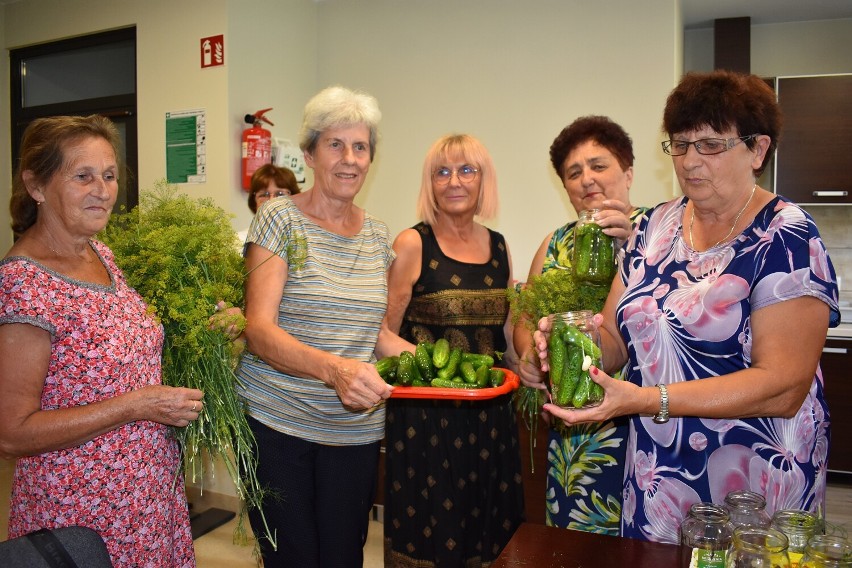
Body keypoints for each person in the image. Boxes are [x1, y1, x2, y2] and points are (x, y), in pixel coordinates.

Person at [533, 70, 840, 544]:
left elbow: (783, 385)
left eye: (711, 145)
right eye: (680, 145)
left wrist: (646, 399)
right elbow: (615, 338)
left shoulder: (788, 235)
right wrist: (574, 342)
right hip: (659, 472)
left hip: (752, 481)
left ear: (757, 150)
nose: (691, 161)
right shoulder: (655, 226)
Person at [0, 115, 202, 567]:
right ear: (36, 186)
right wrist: (135, 405)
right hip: (82, 513)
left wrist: (207, 325)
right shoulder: (24, 282)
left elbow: (125, 353)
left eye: (109, 176)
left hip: (147, 499)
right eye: (83, 176)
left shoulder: (98, 253)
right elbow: (11, 432)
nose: (103, 190)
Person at [237, 85, 414, 567]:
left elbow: (370, 332)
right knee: (292, 558)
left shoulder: (378, 234)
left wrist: (421, 361)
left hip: (354, 432)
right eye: (335, 144)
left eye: (360, 147)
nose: (349, 158)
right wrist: (335, 371)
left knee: (342, 556)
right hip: (277, 422)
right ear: (311, 154)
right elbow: (259, 329)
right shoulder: (280, 220)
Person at [383, 134, 525, 567]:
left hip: (492, 417)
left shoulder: (499, 245)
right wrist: (443, 373)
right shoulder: (412, 243)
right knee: (432, 537)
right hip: (426, 422)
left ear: (484, 180)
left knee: (490, 532)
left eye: (467, 170)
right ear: (430, 184)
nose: (454, 181)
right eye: (441, 172)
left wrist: (527, 367)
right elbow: (381, 334)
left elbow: (505, 330)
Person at [513, 116, 648, 535]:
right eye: (574, 172)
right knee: (574, 546)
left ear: (627, 173)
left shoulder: (659, 231)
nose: (587, 178)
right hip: (572, 431)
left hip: (640, 425)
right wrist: (527, 357)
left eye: (598, 165)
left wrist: (631, 245)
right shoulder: (555, 242)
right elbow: (525, 316)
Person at [236, 163, 301, 245]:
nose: (271, 201)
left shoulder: (307, 243)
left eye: (280, 194)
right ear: (254, 202)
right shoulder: (237, 243)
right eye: (264, 195)